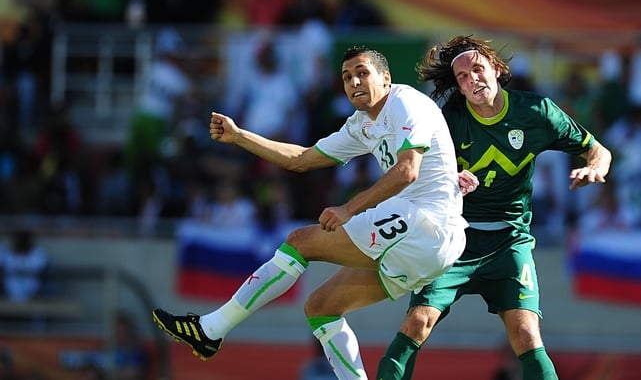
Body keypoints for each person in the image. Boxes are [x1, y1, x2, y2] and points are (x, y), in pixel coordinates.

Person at [152, 46, 468, 380]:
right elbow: (301, 158)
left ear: (386, 78)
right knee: (320, 309)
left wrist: (349, 208)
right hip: (425, 247)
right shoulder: (362, 124)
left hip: (428, 224)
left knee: (301, 241)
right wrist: (240, 136)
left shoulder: (405, 102)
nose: (354, 81)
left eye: (362, 72)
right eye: (347, 77)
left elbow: (407, 171)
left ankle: (210, 329)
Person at [377, 35, 613, 380]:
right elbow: (415, 173)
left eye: (478, 69)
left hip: (510, 242)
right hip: (454, 238)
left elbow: (599, 150)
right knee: (417, 322)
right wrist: (451, 181)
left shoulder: (536, 112)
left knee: (527, 335)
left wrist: (596, 168)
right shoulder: (447, 121)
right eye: (462, 77)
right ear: (458, 87)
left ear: (497, 70)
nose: (472, 79)